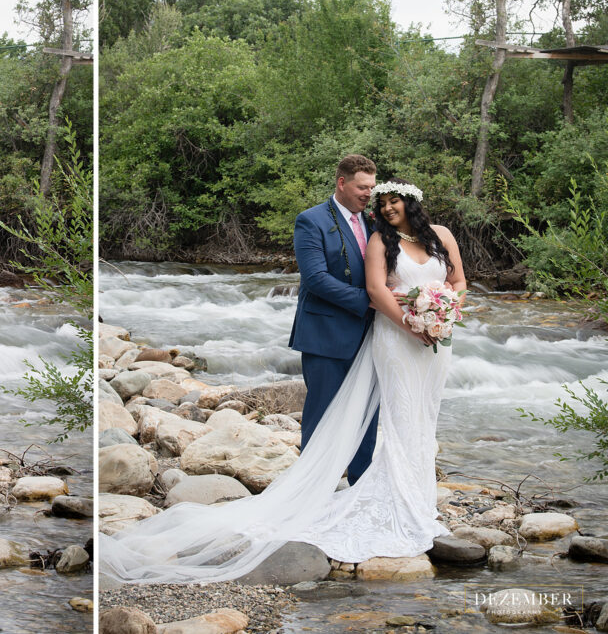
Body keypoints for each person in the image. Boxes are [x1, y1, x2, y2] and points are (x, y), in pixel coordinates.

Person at [100, 178, 467, 583]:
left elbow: (458, 283)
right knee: (390, 417)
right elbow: (356, 286)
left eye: (389, 199)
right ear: (346, 185)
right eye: (378, 199)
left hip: (434, 341)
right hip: (393, 336)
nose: (382, 205)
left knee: (422, 416)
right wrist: (412, 322)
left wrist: (444, 312)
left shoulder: (437, 235)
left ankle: (415, 499)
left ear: (411, 202)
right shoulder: (366, 235)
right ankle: (355, 499)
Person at [289, 154, 378, 485]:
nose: (368, 193)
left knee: (367, 417)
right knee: (322, 417)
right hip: (325, 335)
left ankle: (359, 489)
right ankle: (309, 491)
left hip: (370, 337)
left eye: (371, 186)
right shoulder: (310, 221)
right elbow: (315, 278)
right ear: (342, 183)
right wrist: (372, 301)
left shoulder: (372, 221)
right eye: (361, 187)